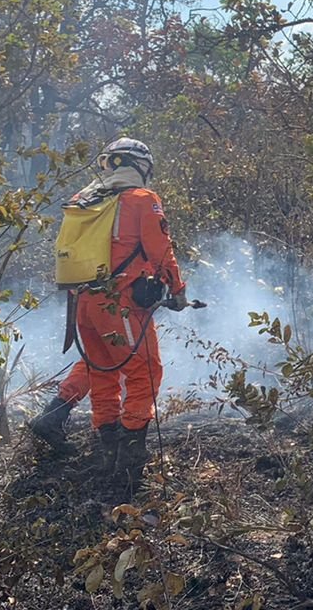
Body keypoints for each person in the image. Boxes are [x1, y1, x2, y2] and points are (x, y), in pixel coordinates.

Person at [30, 138, 186, 492]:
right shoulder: (142, 200)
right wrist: (177, 290)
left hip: (83, 303)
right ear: (141, 166)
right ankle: (132, 456)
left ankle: (108, 454)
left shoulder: (85, 200)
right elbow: (161, 251)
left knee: (103, 373)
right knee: (144, 370)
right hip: (120, 304)